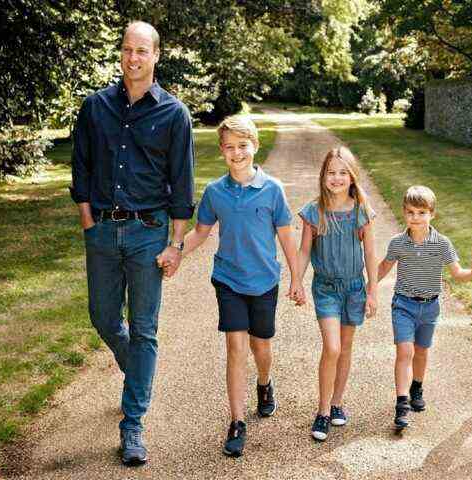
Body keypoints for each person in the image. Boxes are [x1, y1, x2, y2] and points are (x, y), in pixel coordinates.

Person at [69, 21, 195, 466]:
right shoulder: (95, 107)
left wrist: (176, 245)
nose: (133, 58)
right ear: (121, 54)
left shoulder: (174, 114)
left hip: (148, 233)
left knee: (144, 329)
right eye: (127, 50)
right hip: (102, 230)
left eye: (142, 51)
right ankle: (137, 374)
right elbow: (80, 168)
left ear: (156, 56)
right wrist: (88, 221)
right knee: (103, 317)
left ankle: (133, 424)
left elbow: (182, 186)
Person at [177, 115, 304, 458]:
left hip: (264, 281)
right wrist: (175, 254)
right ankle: (236, 421)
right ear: (222, 151)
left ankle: (264, 383)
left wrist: (296, 278)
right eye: (230, 147)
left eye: (243, 146)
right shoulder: (216, 192)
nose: (237, 153)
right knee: (235, 345)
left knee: (260, 348)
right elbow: (201, 233)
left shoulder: (272, 189)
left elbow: (287, 238)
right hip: (229, 280)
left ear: (255, 146)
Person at [296, 146, 378, 442]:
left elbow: (370, 252)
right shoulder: (314, 211)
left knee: (345, 347)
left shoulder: (361, 210)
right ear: (323, 176)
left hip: (354, 288)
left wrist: (372, 290)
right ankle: (322, 411)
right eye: (331, 172)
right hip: (326, 288)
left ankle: (337, 402)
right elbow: (304, 250)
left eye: (343, 173)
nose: (337, 178)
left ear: (352, 177)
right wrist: (297, 280)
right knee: (331, 347)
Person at [378, 186, 472, 430]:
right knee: (405, 352)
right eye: (410, 212)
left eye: (422, 212)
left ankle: (417, 387)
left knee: (421, 352)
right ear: (404, 213)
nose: (415, 217)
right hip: (403, 305)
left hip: (430, 307)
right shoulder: (398, 243)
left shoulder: (442, 244)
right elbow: (383, 268)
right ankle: (401, 405)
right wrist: (367, 287)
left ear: (432, 214)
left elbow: (457, 273)